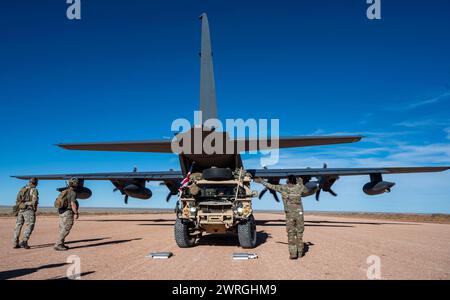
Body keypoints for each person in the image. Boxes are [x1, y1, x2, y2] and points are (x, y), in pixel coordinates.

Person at [254, 175, 307, 260]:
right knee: (299, 233)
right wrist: (301, 183)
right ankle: (300, 252)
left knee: (291, 233)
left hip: (289, 214)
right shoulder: (299, 187)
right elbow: (306, 191)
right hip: (299, 214)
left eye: (286, 179)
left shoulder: (283, 188)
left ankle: (293, 254)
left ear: (288, 180)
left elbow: (271, 186)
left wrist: (262, 181)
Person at [12, 178, 39, 249]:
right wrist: (33, 208)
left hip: (20, 209)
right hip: (28, 210)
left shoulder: (22, 189)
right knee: (30, 225)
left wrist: (21, 205)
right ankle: (24, 241)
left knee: (18, 225)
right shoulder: (34, 190)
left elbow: (17, 200)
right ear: (35, 183)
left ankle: (15, 243)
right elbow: (34, 201)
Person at [54, 177, 79, 251]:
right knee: (67, 227)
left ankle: (61, 244)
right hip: (67, 212)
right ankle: (58, 244)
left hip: (61, 211)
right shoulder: (73, 192)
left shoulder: (64, 191)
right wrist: (76, 212)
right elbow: (73, 204)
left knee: (62, 228)